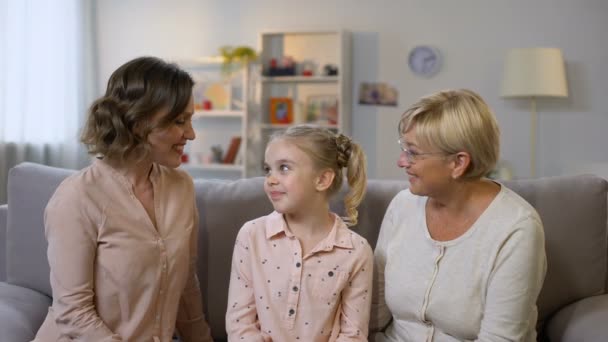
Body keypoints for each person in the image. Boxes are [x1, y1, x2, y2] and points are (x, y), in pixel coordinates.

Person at [33, 56, 213, 341]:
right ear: (137, 121)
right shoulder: (77, 197)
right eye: (179, 121)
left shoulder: (181, 188)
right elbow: (73, 312)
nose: (190, 134)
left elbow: (185, 286)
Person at [370, 89, 547, 341]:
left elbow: (500, 338)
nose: (401, 161)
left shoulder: (517, 228)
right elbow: (373, 314)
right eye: (403, 148)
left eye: (413, 152)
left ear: (458, 163)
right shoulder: (402, 206)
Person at [226, 125, 373, 341]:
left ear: (322, 180)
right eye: (268, 169)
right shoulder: (251, 235)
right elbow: (240, 325)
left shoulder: (356, 251)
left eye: (284, 168)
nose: (271, 179)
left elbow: (353, 334)